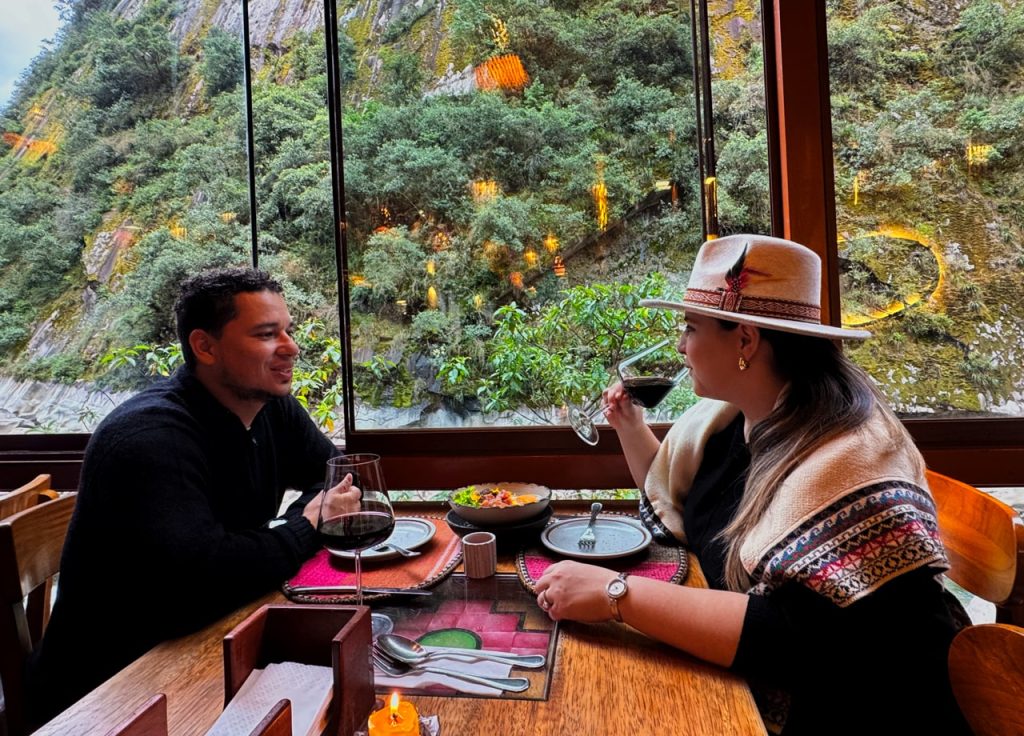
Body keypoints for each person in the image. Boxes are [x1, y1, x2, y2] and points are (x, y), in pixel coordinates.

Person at [534, 235, 970, 735]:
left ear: (744, 340)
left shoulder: (851, 460)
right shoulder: (736, 423)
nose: (680, 346)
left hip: (868, 710)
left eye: (691, 328)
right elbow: (678, 503)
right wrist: (631, 428)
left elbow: (792, 640)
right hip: (744, 682)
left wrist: (617, 595)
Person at [27, 267, 359, 724]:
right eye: (267, 334)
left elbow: (336, 479)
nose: (291, 348)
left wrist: (310, 517)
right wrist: (308, 526)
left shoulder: (271, 407)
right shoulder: (149, 438)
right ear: (205, 346)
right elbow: (205, 579)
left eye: (288, 331)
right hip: (109, 691)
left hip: (205, 641)